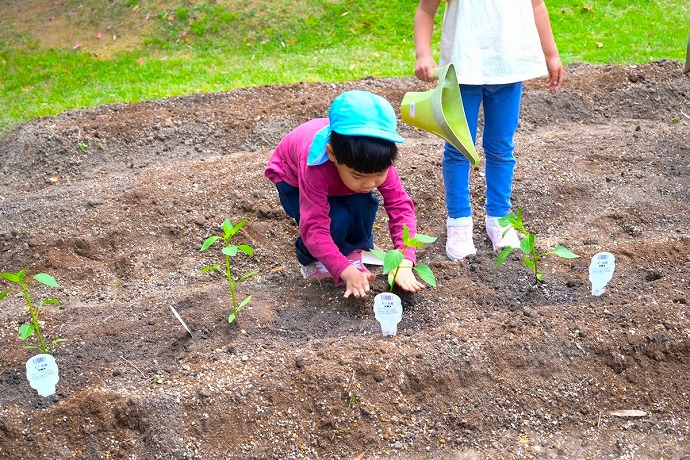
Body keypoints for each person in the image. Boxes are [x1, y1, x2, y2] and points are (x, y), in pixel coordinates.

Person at [413, 0, 564, 260]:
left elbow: (537, 6)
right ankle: (459, 221)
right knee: (458, 148)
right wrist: (423, 54)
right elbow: (426, 9)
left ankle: (499, 217)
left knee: (501, 148)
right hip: (462, 72)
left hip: (508, 71)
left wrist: (551, 54)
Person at [265, 90, 427, 299]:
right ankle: (313, 260)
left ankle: (351, 251)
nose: (370, 183)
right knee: (337, 218)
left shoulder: (374, 160)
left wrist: (404, 260)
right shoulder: (315, 167)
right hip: (293, 178)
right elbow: (314, 226)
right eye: (359, 175)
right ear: (332, 154)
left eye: (379, 174)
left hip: (340, 177)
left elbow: (400, 207)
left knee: (363, 204)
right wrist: (344, 270)